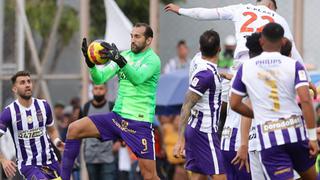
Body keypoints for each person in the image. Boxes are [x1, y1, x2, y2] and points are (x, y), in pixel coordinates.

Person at [60, 23, 161, 180]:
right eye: (132, 36)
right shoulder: (125, 55)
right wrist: (91, 63)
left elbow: (137, 78)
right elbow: (99, 78)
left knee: (150, 176)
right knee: (74, 129)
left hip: (139, 123)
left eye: (137, 36)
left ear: (149, 40)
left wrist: (120, 60)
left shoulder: (153, 60)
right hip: (117, 118)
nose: (133, 40)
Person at [164, 0, 317, 95]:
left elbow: (205, 13)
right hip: (263, 68)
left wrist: (181, 10)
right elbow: (292, 50)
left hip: (240, 67)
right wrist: (307, 80)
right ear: (272, 5)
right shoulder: (278, 18)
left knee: (227, 107)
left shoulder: (241, 8)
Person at [230, 23, 318, 180]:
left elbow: (234, 103)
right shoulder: (294, 65)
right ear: (283, 41)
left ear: (261, 41)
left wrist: (256, 113)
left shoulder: (246, 68)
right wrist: (312, 137)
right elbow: (305, 100)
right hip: (295, 134)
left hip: (270, 139)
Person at [173, 30, 226, 180]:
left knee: (198, 176)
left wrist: (222, 74)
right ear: (219, 49)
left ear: (199, 48)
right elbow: (186, 105)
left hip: (195, 128)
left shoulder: (196, 60)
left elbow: (208, 72)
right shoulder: (206, 75)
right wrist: (179, 140)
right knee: (221, 176)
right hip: (205, 132)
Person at [0, 71, 64, 179]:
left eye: (29, 81)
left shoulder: (44, 106)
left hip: (51, 162)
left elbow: (52, 130)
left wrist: (57, 142)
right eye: (22, 82)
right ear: (14, 89)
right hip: (28, 165)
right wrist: (3, 159)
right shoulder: (9, 112)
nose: (27, 85)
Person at [82, 84, 117, 180]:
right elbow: (79, 129)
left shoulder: (111, 107)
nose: (98, 91)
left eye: (101, 88)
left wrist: (118, 143)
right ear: (92, 90)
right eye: (96, 88)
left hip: (108, 155)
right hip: (90, 155)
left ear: (106, 90)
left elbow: (119, 127)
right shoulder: (86, 107)